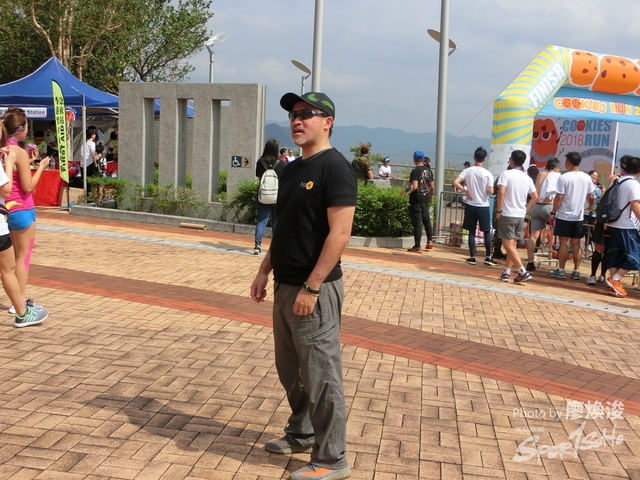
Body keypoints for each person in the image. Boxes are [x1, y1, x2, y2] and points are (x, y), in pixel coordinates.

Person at [250, 91, 356, 480]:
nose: (297, 120)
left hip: (315, 291)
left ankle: (332, 458)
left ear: (327, 122)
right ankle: (302, 432)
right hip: (284, 285)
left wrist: (312, 288)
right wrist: (264, 270)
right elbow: (284, 229)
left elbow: (340, 233)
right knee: (291, 369)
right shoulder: (291, 169)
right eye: (294, 114)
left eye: (307, 114)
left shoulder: (336, 168)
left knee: (321, 375)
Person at [1, 107, 50, 316]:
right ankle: (19, 302)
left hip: (6, 209)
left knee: (11, 259)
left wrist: (28, 163)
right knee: (23, 256)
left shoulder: (3, 149)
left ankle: (17, 301)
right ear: (20, 129)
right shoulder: (18, 152)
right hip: (23, 208)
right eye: (27, 126)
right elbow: (28, 186)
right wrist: (41, 167)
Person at [548, 152, 594, 281]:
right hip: (578, 216)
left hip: (564, 215)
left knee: (563, 242)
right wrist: (590, 206)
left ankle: (561, 270)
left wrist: (553, 212)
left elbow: (559, 197)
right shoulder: (586, 177)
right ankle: (576, 270)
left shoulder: (564, 177)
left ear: (568, 162)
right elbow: (591, 196)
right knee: (576, 243)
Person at [495, 150, 538, 283]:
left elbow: (501, 192)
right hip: (520, 215)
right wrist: (525, 209)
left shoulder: (506, 174)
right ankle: (507, 272)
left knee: (507, 244)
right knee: (512, 244)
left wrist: (499, 210)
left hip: (507, 213)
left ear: (512, 160)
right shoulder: (527, 177)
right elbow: (535, 197)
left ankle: (522, 271)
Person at [601, 155, 640, 297]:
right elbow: (635, 206)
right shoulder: (633, 184)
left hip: (613, 223)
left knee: (615, 254)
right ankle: (616, 279)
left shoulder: (617, 181)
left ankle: (614, 286)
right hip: (626, 225)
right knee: (636, 256)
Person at [452, 146, 495, 266]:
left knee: (471, 231)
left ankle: (472, 256)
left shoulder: (468, 171)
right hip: (483, 205)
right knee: (486, 231)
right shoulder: (488, 174)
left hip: (471, 204)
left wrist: (465, 191)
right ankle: (488, 257)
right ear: (485, 159)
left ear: (474, 158)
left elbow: (455, 182)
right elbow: (491, 191)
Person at [525, 157, 561, 271]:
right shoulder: (557, 176)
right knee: (563, 237)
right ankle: (561, 266)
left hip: (536, 207)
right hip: (549, 207)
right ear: (556, 167)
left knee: (533, 236)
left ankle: (530, 262)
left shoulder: (540, 174)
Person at [254, 139, 286, 255]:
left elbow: (259, 178)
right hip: (277, 197)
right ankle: (275, 248)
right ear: (277, 150)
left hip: (263, 196)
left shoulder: (260, 162)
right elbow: (284, 181)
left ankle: (257, 245)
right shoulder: (281, 164)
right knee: (276, 221)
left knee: (262, 220)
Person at [402, 151, 434, 252]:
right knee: (426, 220)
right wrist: (431, 197)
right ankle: (430, 241)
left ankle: (417, 246)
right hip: (425, 199)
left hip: (416, 200)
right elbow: (432, 187)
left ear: (414, 160)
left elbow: (414, 187)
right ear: (423, 159)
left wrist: (403, 192)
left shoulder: (415, 171)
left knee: (417, 223)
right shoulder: (429, 171)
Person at [586, 170, 607, 285]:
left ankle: (602, 275)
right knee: (600, 249)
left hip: (608, 221)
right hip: (602, 221)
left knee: (606, 250)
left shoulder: (603, 189)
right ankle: (594, 275)